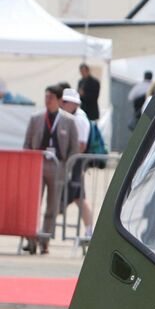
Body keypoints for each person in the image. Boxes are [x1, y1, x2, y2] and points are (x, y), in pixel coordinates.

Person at [21, 86, 79, 254]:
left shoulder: (69, 121)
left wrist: (66, 167)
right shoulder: (36, 118)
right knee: (32, 205)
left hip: (57, 166)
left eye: (51, 97)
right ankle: (30, 238)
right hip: (37, 165)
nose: (48, 100)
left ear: (59, 100)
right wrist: (28, 164)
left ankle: (45, 239)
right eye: (46, 97)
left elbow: (74, 149)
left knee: (52, 207)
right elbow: (26, 144)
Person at [59, 87, 95, 238]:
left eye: (66, 101)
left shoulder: (79, 119)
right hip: (73, 161)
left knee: (76, 197)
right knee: (78, 197)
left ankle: (89, 230)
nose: (62, 104)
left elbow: (81, 145)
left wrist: (69, 160)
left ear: (73, 103)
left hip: (76, 162)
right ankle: (89, 230)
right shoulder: (73, 116)